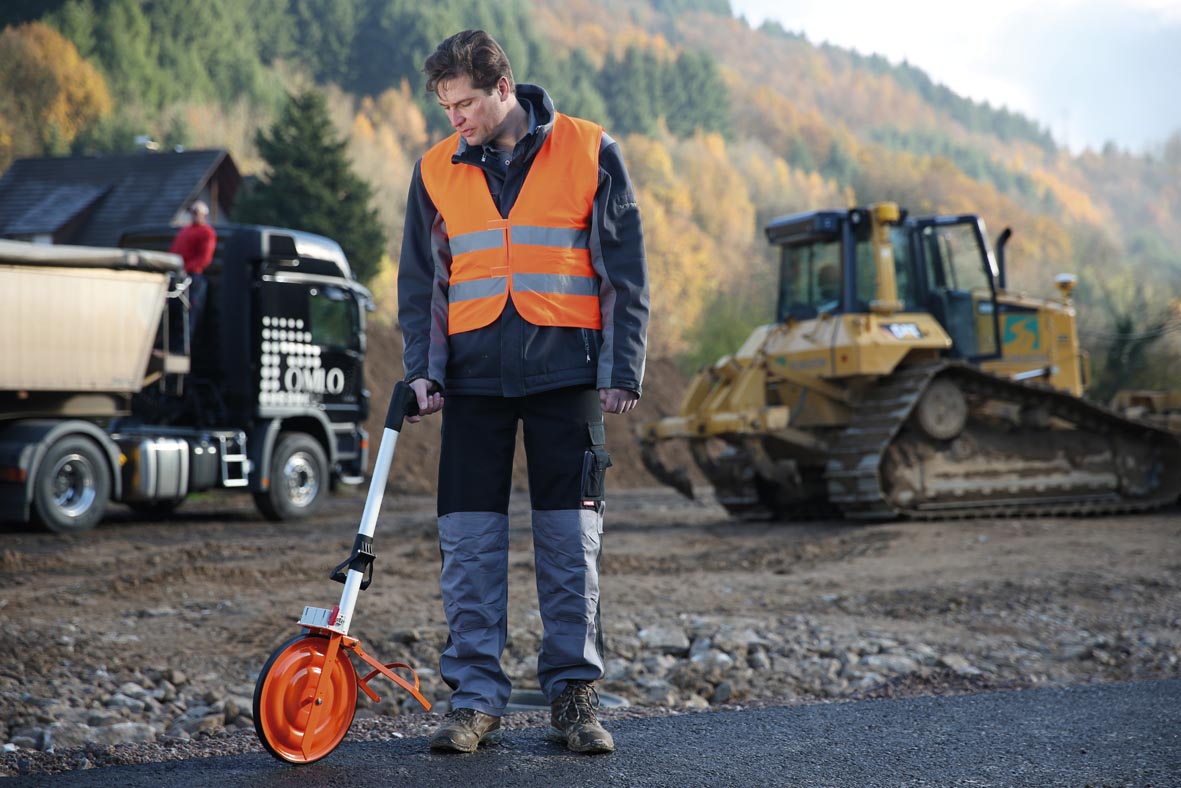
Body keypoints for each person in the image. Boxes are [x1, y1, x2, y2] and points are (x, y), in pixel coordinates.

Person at [397, 30, 648, 756]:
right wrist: (424, 368)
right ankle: (475, 702)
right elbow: (422, 283)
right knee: (468, 548)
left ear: (503, 87)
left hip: (565, 373)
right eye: (447, 106)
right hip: (470, 381)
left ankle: (574, 698)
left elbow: (625, 272)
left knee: (570, 546)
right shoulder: (435, 169)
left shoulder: (589, 148)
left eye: (466, 102)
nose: (457, 119)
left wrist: (622, 368)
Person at [169, 200, 217, 340]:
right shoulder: (185, 231)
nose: (194, 215)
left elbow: (204, 258)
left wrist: (187, 269)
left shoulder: (207, 233)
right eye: (192, 212)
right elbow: (174, 251)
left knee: (188, 312)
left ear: (204, 215)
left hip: (192, 278)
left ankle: (183, 347)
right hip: (178, 276)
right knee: (173, 310)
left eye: (197, 212)